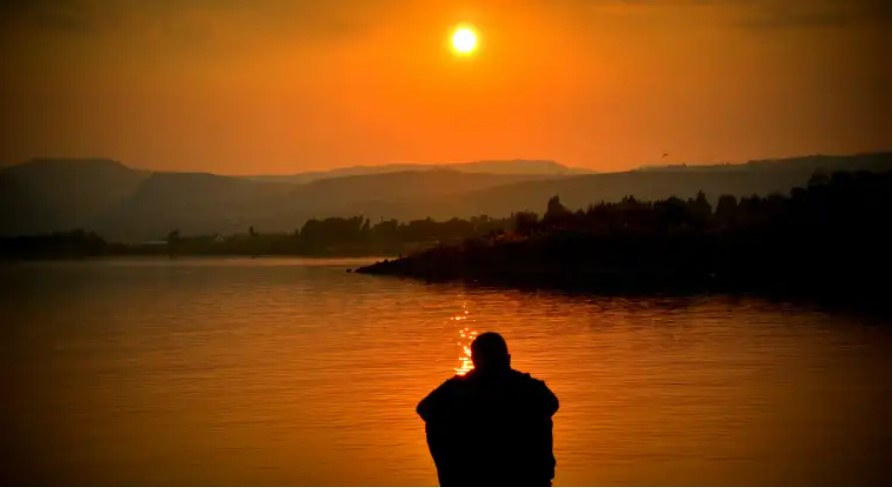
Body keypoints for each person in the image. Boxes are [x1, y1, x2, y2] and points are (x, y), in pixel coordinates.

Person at [417, 332, 559, 486]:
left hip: (514, 471)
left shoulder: (459, 387)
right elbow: (424, 409)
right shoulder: (528, 386)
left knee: (436, 421)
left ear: (475, 360)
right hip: (503, 471)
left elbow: (425, 409)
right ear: (507, 358)